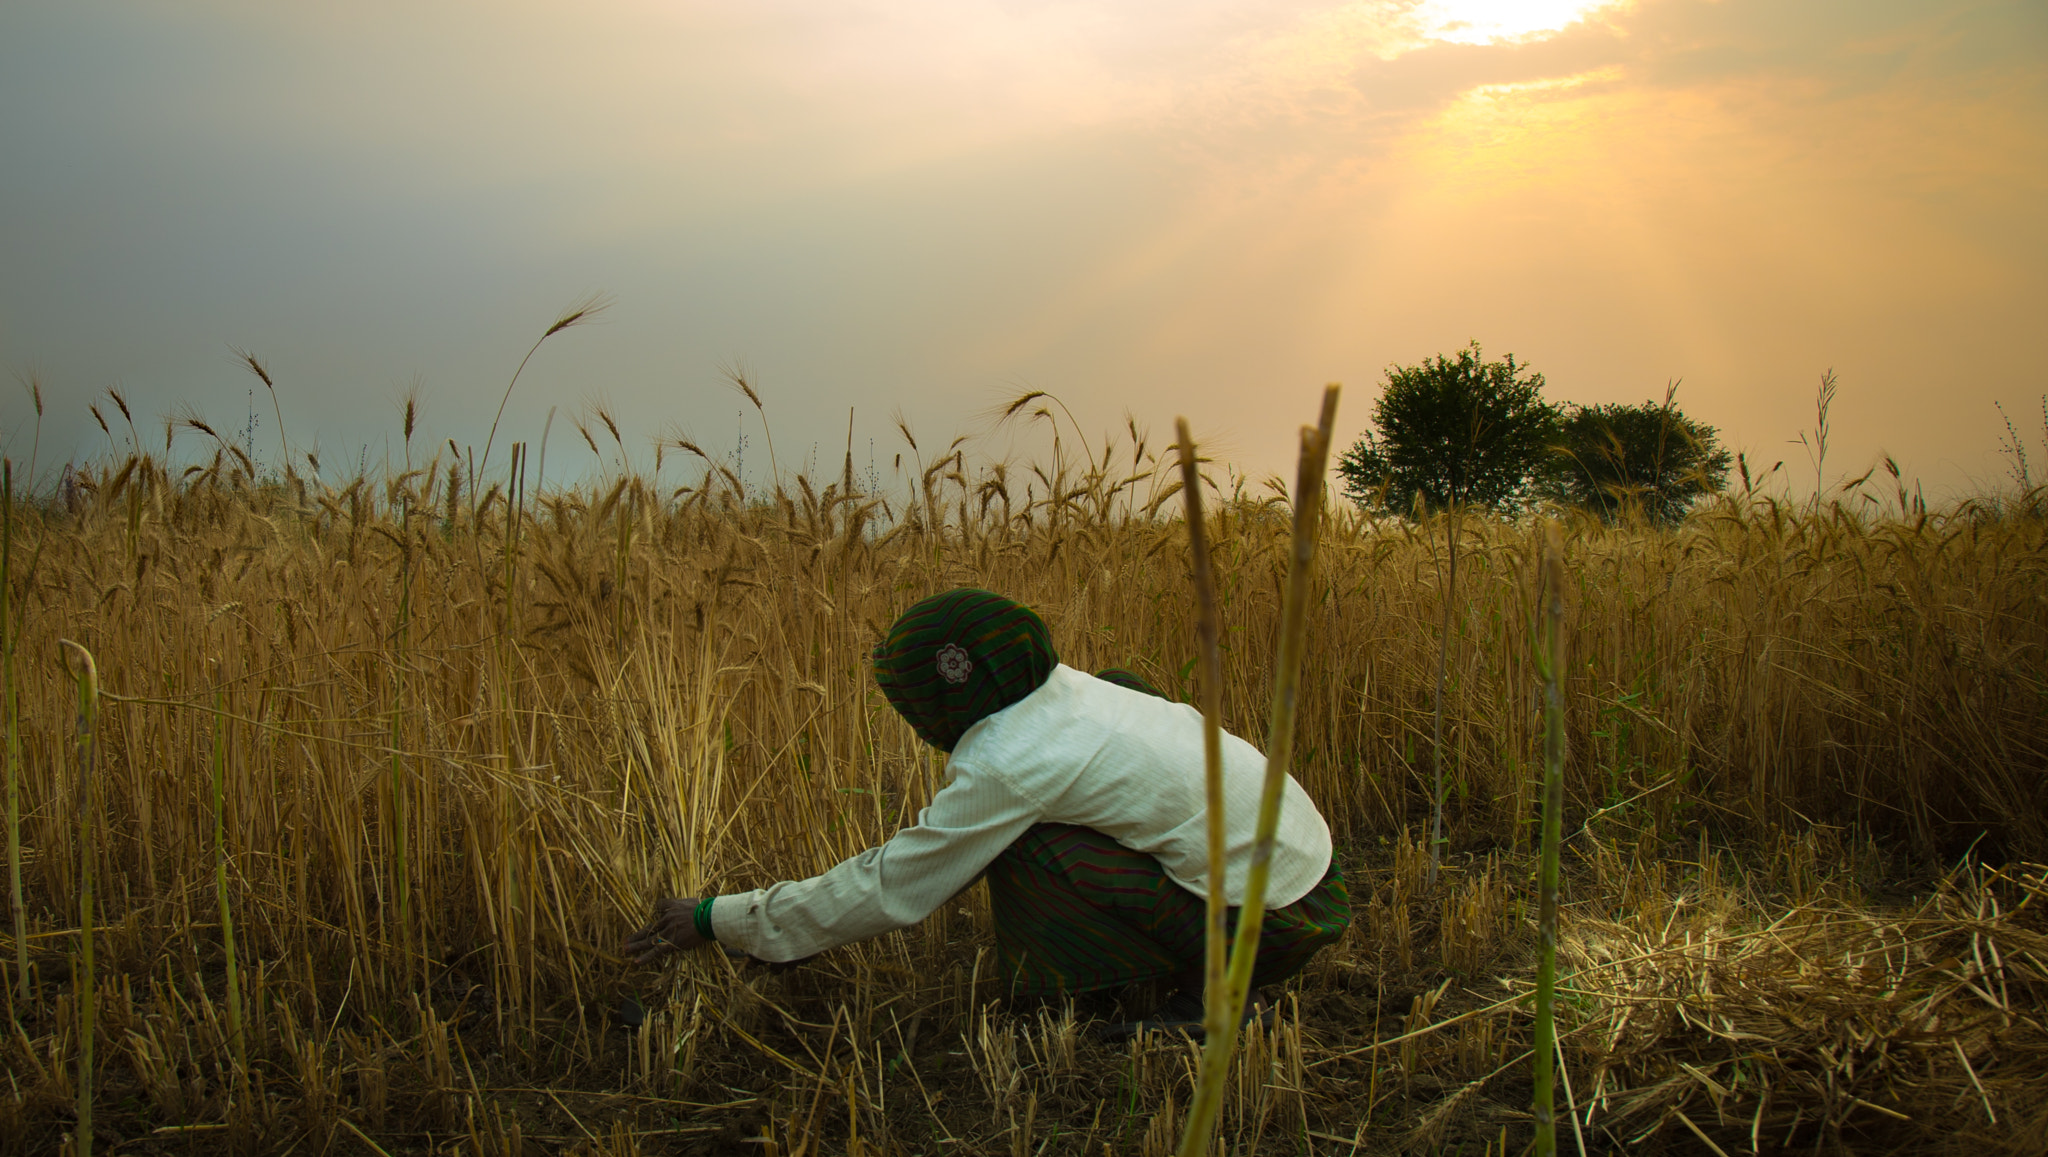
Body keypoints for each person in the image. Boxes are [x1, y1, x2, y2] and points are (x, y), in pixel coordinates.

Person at [625, 588, 1349, 1030]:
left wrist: (721, 918)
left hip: (1272, 926)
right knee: (1050, 819)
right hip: (1315, 880)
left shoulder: (1011, 759)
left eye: (915, 700)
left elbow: (892, 883)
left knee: (1025, 843)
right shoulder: (1079, 690)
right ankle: (1162, 970)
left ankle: (1212, 1002)